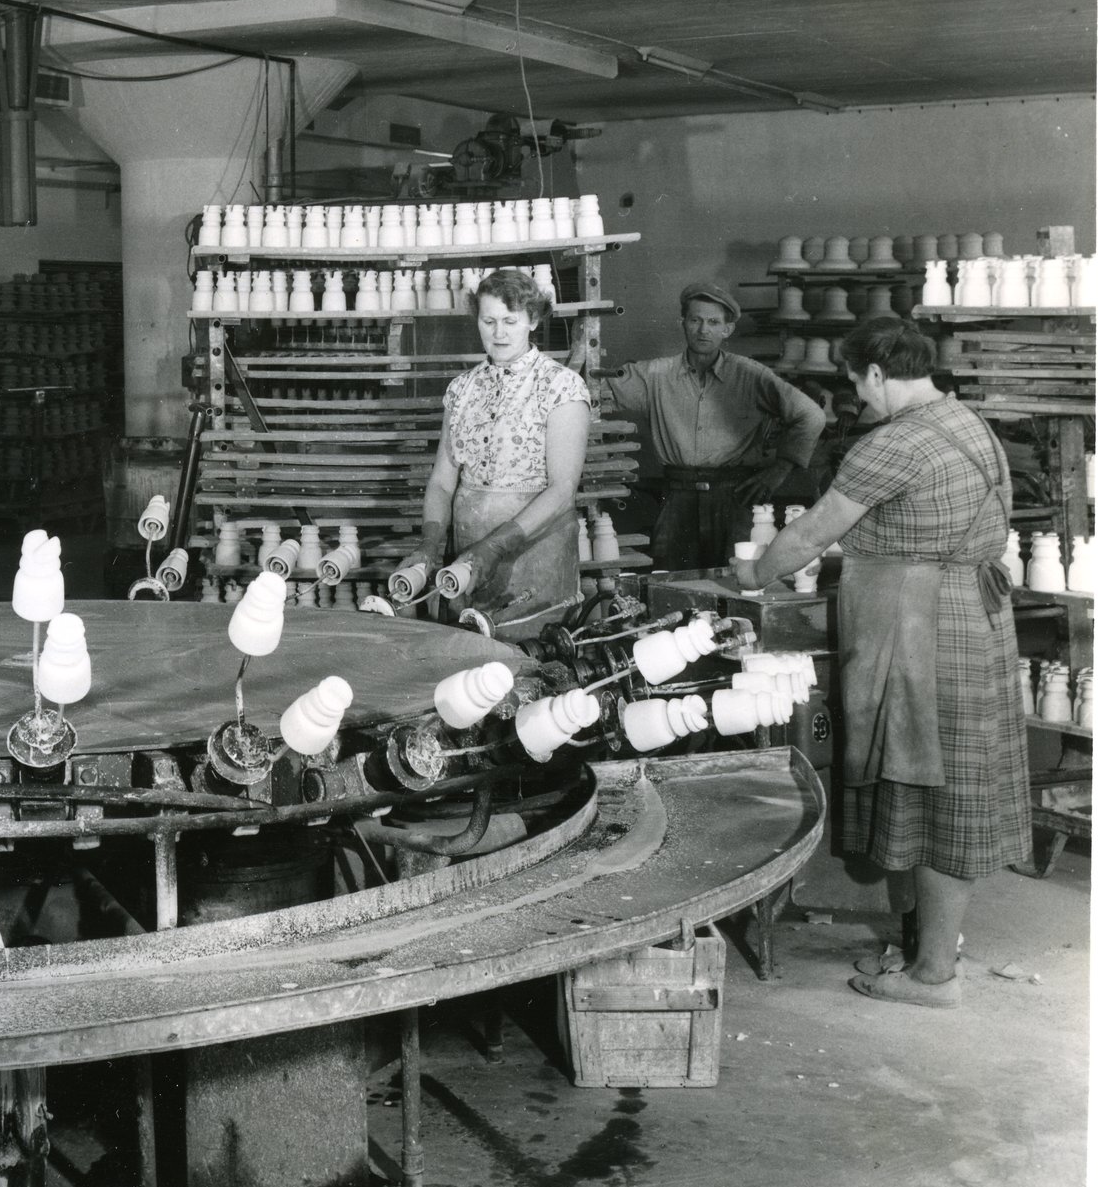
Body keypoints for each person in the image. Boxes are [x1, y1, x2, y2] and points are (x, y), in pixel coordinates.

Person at [734, 318, 1027, 1008]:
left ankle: (934, 977)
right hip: (976, 616)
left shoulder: (889, 443)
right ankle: (933, 949)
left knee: (927, 790)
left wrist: (752, 575)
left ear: (871, 374)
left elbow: (809, 533)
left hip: (924, 626)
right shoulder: (968, 421)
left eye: (855, 383)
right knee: (953, 790)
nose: (856, 400)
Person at [394, 268, 589, 635]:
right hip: (470, 557)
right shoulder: (461, 389)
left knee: (530, 655)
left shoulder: (561, 387)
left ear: (533, 320)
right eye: (489, 321)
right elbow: (441, 482)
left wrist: (495, 547)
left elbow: (562, 490)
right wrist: (430, 545)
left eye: (510, 321)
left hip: (534, 553)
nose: (498, 333)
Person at [609, 283, 826, 569]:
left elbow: (811, 416)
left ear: (728, 329)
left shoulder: (750, 375)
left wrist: (779, 471)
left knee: (736, 579)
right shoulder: (655, 374)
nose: (703, 330)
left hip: (734, 498)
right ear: (683, 323)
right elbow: (596, 390)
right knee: (671, 583)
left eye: (713, 322)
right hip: (677, 498)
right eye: (695, 320)